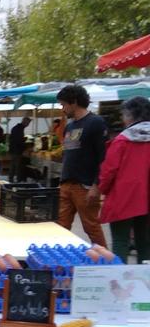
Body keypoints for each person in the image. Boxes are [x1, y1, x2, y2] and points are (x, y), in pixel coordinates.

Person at [98, 97, 150, 262]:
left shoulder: (122, 141)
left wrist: (102, 189)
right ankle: (146, 283)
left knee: (120, 242)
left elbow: (109, 171)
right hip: (147, 199)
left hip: (123, 198)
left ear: (130, 116)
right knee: (145, 243)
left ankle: (119, 283)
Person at [56, 84, 108, 247]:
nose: (63, 109)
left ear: (74, 102)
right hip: (66, 183)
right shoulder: (70, 126)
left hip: (85, 186)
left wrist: (96, 186)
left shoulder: (96, 123)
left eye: (64, 104)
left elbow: (103, 157)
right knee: (60, 226)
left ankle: (105, 262)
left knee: (91, 226)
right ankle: (59, 261)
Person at [8, 117, 31, 183]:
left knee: (13, 165)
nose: (28, 125)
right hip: (16, 150)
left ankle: (11, 180)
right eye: (28, 123)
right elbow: (18, 141)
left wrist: (23, 139)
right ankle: (18, 181)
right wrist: (25, 145)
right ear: (25, 122)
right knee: (17, 166)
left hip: (13, 149)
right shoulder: (19, 129)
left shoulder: (16, 128)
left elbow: (15, 139)